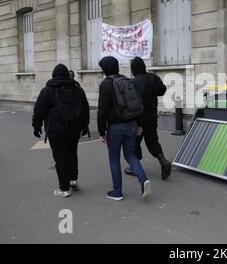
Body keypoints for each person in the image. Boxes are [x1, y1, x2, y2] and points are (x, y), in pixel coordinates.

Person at [97, 56, 151, 201]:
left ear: (105, 69)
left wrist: (101, 131)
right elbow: (137, 104)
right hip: (132, 124)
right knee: (130, 155)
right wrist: (138, 124)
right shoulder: (128, 81)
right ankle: (143, 179)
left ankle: (117, 192)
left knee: (114, 158)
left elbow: (102, 111)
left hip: (115, 127)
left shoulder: (106, 85)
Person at [32, 64, 90, 198]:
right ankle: (73, 180)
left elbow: (39, 110)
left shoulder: (47, 90)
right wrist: (84, 126)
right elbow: (85, 109)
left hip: (56, 130)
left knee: (60, 157)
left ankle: (64, 189)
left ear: (54, 75)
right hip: (74, 128)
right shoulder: (77, 89)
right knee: (72, 153)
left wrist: (36, 127)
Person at [125, 56, 171, 180]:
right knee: (152, 140)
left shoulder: (132, 83)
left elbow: (130, 103)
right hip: (152, 116)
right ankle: (163, 160)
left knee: (134, 142)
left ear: (134, 69)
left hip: (138, 119)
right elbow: (162, 91)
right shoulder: (153, 77)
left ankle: (135, 166)